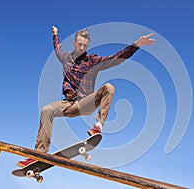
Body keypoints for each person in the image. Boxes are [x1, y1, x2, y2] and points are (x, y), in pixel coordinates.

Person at [17, 26, 155, 167]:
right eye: (79, 44)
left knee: (108, 88)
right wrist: (55, 34)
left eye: (85, 45)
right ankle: (39, 154)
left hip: (86, 103)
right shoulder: (65, 58)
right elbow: (57, 47)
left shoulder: (91, 61)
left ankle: (98, 126)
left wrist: (136, 45)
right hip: (69, 104)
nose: (82, 47)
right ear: (74, 43)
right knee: (47, 110)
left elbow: (115, 58)